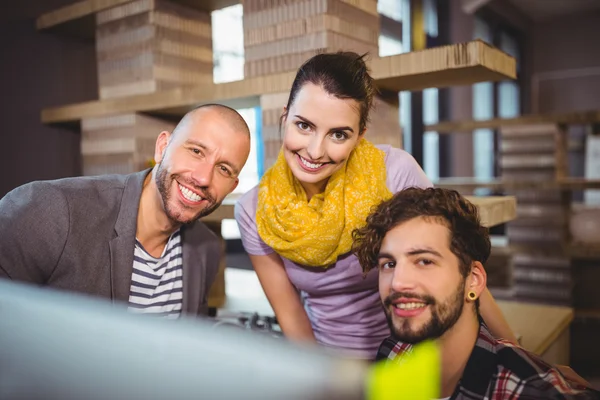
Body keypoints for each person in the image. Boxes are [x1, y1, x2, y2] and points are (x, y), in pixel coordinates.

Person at [234, 51, 517, 360]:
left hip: (415, 354)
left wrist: (520, 357)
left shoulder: (394, 173)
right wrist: (325, 385)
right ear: (285, 116)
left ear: (359, 137)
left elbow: (463, 270)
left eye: (338, 134)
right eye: (304, 126)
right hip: (328, 364)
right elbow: (291, 316)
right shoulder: (255, 210)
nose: (315, 151)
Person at [0, 104, 251, 318]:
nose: (203, 178)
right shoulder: (50, 209)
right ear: (162, 147)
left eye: (224, 169)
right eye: (196, 151)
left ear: (232, 186)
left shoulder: (205, 248)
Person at [353, 187, 600, 398]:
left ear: (473, 280)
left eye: (424, 261)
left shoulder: (529, 391)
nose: (398, 283)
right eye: (389, 264)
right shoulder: (392, 354)